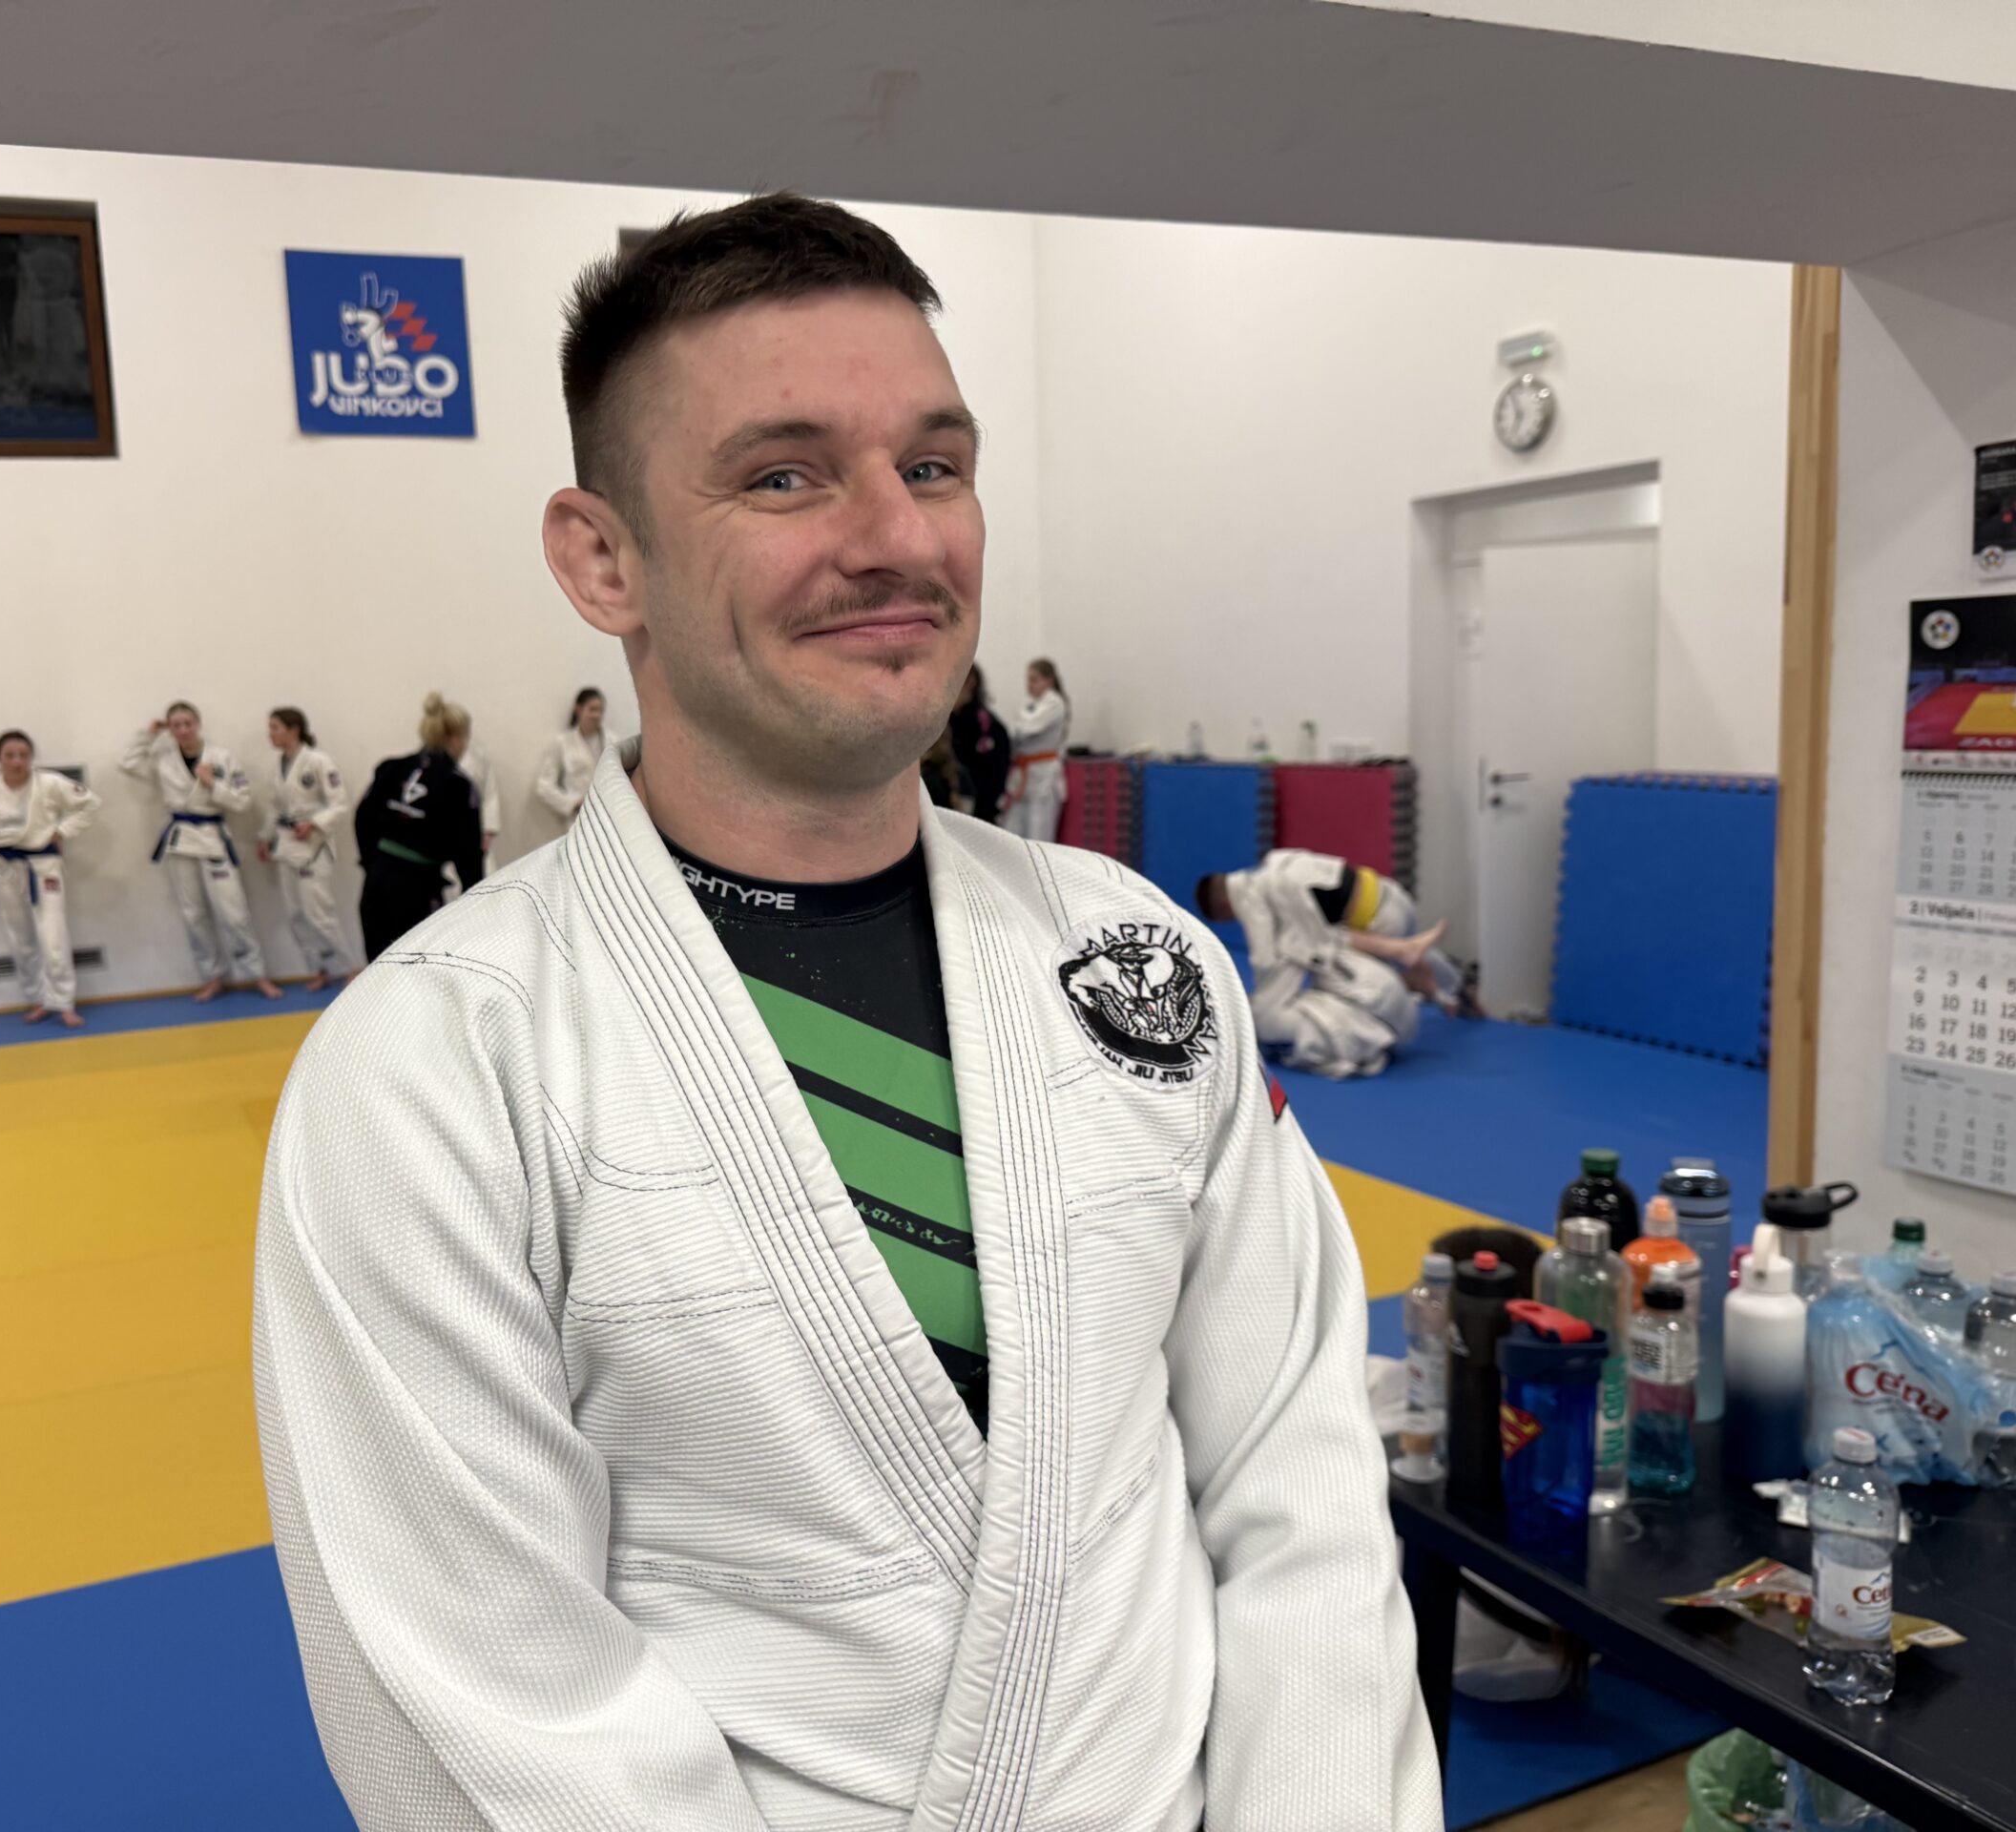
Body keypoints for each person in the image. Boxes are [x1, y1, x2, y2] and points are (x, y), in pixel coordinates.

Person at [254, 194, 1437, 1831]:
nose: (898, 537)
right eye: (783, 475)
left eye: (935, 466)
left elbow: (1298, 1485)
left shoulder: (1138, 961)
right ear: (603, 559)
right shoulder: (433, 1068)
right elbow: (489, 1695)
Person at [1198, 848, 1466, 1081]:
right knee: (1329, 941)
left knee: (1324, 949)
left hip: (1380, 924)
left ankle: (1414, 971)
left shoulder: (1248, 898)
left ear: (1223, 906)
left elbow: (1266, 958)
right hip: (1391, 896)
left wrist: (1261, 1001)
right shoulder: (1277, 862)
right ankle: (1453, 987)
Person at [122, 701, 281, 1003]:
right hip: (182, 841)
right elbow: (128, 764)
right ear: (170, 729)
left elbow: (242, 801)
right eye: (176, 725)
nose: (183, 730)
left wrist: (213, 784)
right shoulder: (163, 759)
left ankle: (257, 973)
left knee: (233, 913)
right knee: (194, 915)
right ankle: (213, 976)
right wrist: (148, 734)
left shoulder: (221, 757)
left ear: (198, 724)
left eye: (187, 723)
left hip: (213, 838)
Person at [0, 729, 100, 1028]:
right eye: (9, 755)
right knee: (20, 936)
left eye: (23, 755)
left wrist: (63, 831)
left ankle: (64, 1001)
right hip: (7, 868)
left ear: (31, 757)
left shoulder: (49, 783)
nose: (16, 761)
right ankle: (38, 998)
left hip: (44, 865)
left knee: (53, 936)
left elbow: (89, 804)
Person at [352, 692, 485, 958]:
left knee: (378, 967)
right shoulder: (458, 785)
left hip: (376, 884)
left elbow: (362, 819)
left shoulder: (391, 768)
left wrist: (373, 865)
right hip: (417, 890)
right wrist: (476, 899)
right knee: (416, 969)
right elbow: (469, 853)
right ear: (456, 739)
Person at [257, 707, 359, 987]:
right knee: (295, 914)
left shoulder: (318, 761)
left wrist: (314, 823)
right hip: (286, 844)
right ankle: (320, 968)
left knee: (318, 912)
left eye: (275, 727)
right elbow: (275, 807)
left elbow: (340, 804)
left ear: (294, 730)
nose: (270, 733)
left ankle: (350, 968)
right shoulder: (277, 766)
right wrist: (265, 838)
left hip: (313, 846)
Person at [1002, 656, 1069, 843]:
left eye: (1034, 680)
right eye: (1028, 680)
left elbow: (1027, 728)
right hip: (1023, 775)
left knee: (1038, 835)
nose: (1029, 685)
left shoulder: (1054, 703)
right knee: (1012, 832)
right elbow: (1017, 730)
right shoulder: (1029, 704)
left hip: (1043, 776)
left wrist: (1017, 725)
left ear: (1049, 681)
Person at [532, 686, 607, 826]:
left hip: (608, 815)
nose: (596, 715)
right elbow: (544, 786)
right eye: (592, 709)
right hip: (577, 819)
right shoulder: (563, 743)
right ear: (578, 709)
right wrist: (573, 803)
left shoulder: (611, 742)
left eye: (600, 711)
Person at [947, 660, 1011, 822]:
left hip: (976, 812)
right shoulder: (944, 722)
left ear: (970, 683)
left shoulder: (988, 727)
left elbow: (995, 777)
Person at [452, 712, 504, 874]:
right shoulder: (434, 759)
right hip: (445, 832)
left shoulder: (479, 758)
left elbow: (490, 794)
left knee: (484, 877)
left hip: (475, 831)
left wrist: (489, 829)